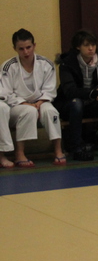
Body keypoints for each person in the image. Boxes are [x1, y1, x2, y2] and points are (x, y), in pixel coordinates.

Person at [55, 29, 98, 161]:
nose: (91, 48)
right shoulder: (67, 63)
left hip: (94, 103)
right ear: (78, 47)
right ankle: (76, 148)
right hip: (70, 106)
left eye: (93, 44)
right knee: (77, 103)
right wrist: (92, 94)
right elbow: (69, 90)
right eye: (86, 45)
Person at [0, 29, 65, 167]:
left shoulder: (46, 64)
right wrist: (25, 103)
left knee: (51, 112)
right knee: (28, 111)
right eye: (21, 49)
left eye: (28, 47)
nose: (26, 52)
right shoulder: (8, 66)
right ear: (15, 48)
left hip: (41, 101)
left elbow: (50, 90)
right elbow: (5, 93)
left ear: (34, 45)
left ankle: (58, 150)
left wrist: (39, 102)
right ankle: (19, 153)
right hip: (17, 106)